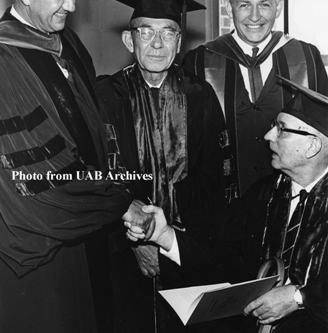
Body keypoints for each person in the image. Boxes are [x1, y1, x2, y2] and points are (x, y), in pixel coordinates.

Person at [0, 0, 154, 333]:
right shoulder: (0, 63)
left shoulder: (66, 44)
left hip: (84, 227)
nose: (73, 4)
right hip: (42, 245)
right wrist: (118, 204)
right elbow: (35, 173)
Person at [127, 76, 328, 333]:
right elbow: (224, 258)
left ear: (312, 146)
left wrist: (298, 298)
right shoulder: (266, 193)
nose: (267, 135)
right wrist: (167, 237)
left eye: (281, 129)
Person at [95, 0, 235, 333]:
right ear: (130, 41)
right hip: (123, 252)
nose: (157, 44)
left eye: (168, 33)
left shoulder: (199, 96)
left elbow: (214, 184)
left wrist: (174, 242)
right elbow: (100, 181)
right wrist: (137, 243)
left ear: (179, 43)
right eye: (146, 32)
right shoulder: (104, 97)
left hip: (186, 249)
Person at [183, 0, 328, 197]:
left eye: (264, 4)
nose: (254, 16)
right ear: (230, 8)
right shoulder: (200, 62)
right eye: (244, 5)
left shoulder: (306, 57)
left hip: (289, 200)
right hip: (220, 204)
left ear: (278, 7)